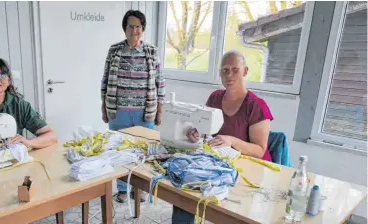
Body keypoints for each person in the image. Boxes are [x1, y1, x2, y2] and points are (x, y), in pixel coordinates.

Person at [173, 50, 274, 223]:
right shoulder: (215, 97)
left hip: (249, 170)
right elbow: (205, 130)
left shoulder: (256, 106)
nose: (229, 75)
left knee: (231, 212)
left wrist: (232, 141)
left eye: (235, 69)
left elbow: (259, 150)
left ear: (245, 71)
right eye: (225, 70)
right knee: (184, 194)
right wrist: (197, 134)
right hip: (221, 164)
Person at [100, 10, 165, 203]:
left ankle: (140, 188)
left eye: (137, 26)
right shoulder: (114, 50)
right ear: (125, 29)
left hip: (144, 112)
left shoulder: (151, 51)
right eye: (130, 26)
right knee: (119, 151)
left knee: (142, 151)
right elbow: (105, 80)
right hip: (118, 111)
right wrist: (103, 107)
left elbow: (160, 82)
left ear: (142, 29)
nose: (134, 30)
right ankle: (121, 188)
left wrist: (160, 109)